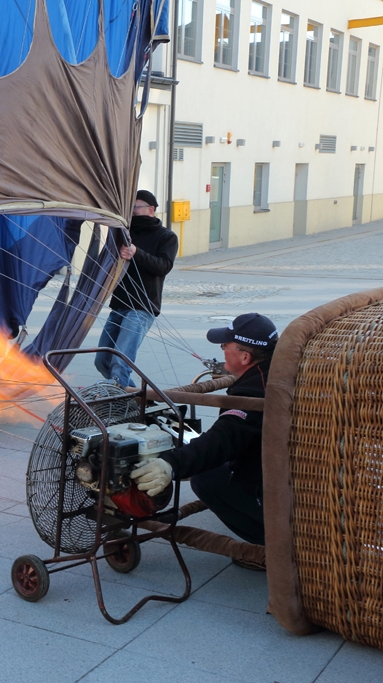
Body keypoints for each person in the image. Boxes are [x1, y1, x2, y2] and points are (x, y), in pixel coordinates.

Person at [131, 313, 279, 553]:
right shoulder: (277, 371)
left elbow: (221, 441)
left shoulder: (253, 395)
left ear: (245, 356)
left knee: (206, 479)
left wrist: (170, 464)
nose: (221, 349)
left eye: (225, 345)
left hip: (271, 488)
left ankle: (268, 547)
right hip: (287, 473)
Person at [95, 190, 178, 389]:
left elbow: (163, 266)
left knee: (120, 362)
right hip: (119, 304)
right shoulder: (125, 232)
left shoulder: (167, 236)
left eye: (135, 207)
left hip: (142, 307)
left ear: (151, 209)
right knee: (102, 361)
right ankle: (138, 400)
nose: (131, 212)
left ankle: (121, 406)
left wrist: (136, 252)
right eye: (129, 208)